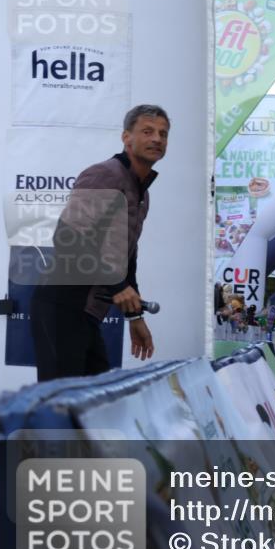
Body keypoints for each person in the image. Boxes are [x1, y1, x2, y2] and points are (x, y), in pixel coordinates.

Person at [31, 105, 168, 382]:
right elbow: (67, 238)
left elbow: (126, 259)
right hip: (62, 304)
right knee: (63, 408)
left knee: (95, 404)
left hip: (87, 312)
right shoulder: (106, 174)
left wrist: (135, 317)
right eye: (147, 131)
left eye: (163, 134)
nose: (157, 139)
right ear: (126, 137)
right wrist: (117, 286)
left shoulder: (142, 192)